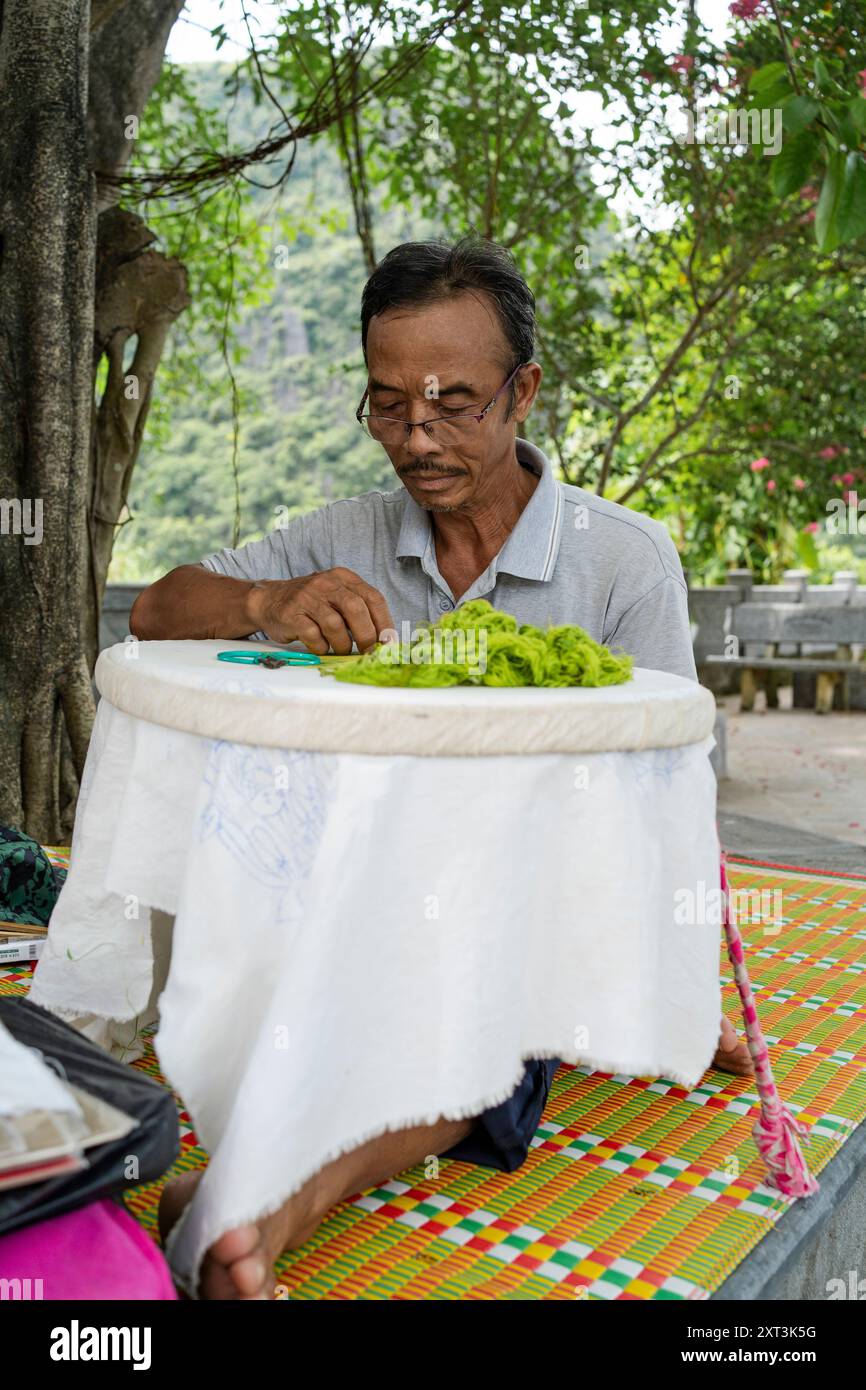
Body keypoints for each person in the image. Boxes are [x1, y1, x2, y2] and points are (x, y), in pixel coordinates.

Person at [131, 236, 752, 1300]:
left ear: (522, 392)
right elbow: (154, 607)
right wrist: (263, 604)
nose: (414, 440)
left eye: (452, 404)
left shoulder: (621, 560)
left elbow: (657, 811)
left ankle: (258, 1207)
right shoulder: (348, 535)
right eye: (386, 406)